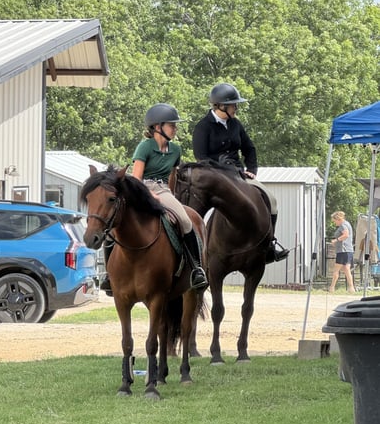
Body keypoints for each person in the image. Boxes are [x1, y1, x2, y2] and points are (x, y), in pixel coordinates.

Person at [100, 103, 208, 295]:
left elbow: (172, 176)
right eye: (171, 125)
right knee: (116, 223)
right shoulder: (145, 147)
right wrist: (149, 194)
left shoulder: (175, 150)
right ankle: (109, 276)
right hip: (141, 189)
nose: (175, 128)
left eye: (175, 125)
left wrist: (171, 195)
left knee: (185, 221)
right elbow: (136, 177)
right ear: (158, 127)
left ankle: (196, 269)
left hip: (163, 190)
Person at [192, 82, 289, 263]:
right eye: (233, 105)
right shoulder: (203, 127)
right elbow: (201, 157)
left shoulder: (235, 124)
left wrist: (251, 170)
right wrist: (220, 172)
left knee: (272, 200)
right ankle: (195, 249)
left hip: (238, 175)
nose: (236, 108)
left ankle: (269, 245)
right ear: (221, 106)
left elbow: (249, 148)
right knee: (196, 209)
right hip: (214, 177)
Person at [328, 211, 355, 293]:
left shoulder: (343, 225)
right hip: (348, 250)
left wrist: (336, 240)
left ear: (338, 219)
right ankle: (351, 288)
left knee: (336, 269)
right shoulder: (347, 224)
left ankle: (332, 287)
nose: (334, 223)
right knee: (346, 269)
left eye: (334, 221)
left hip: (343, 250)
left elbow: (346, 235)